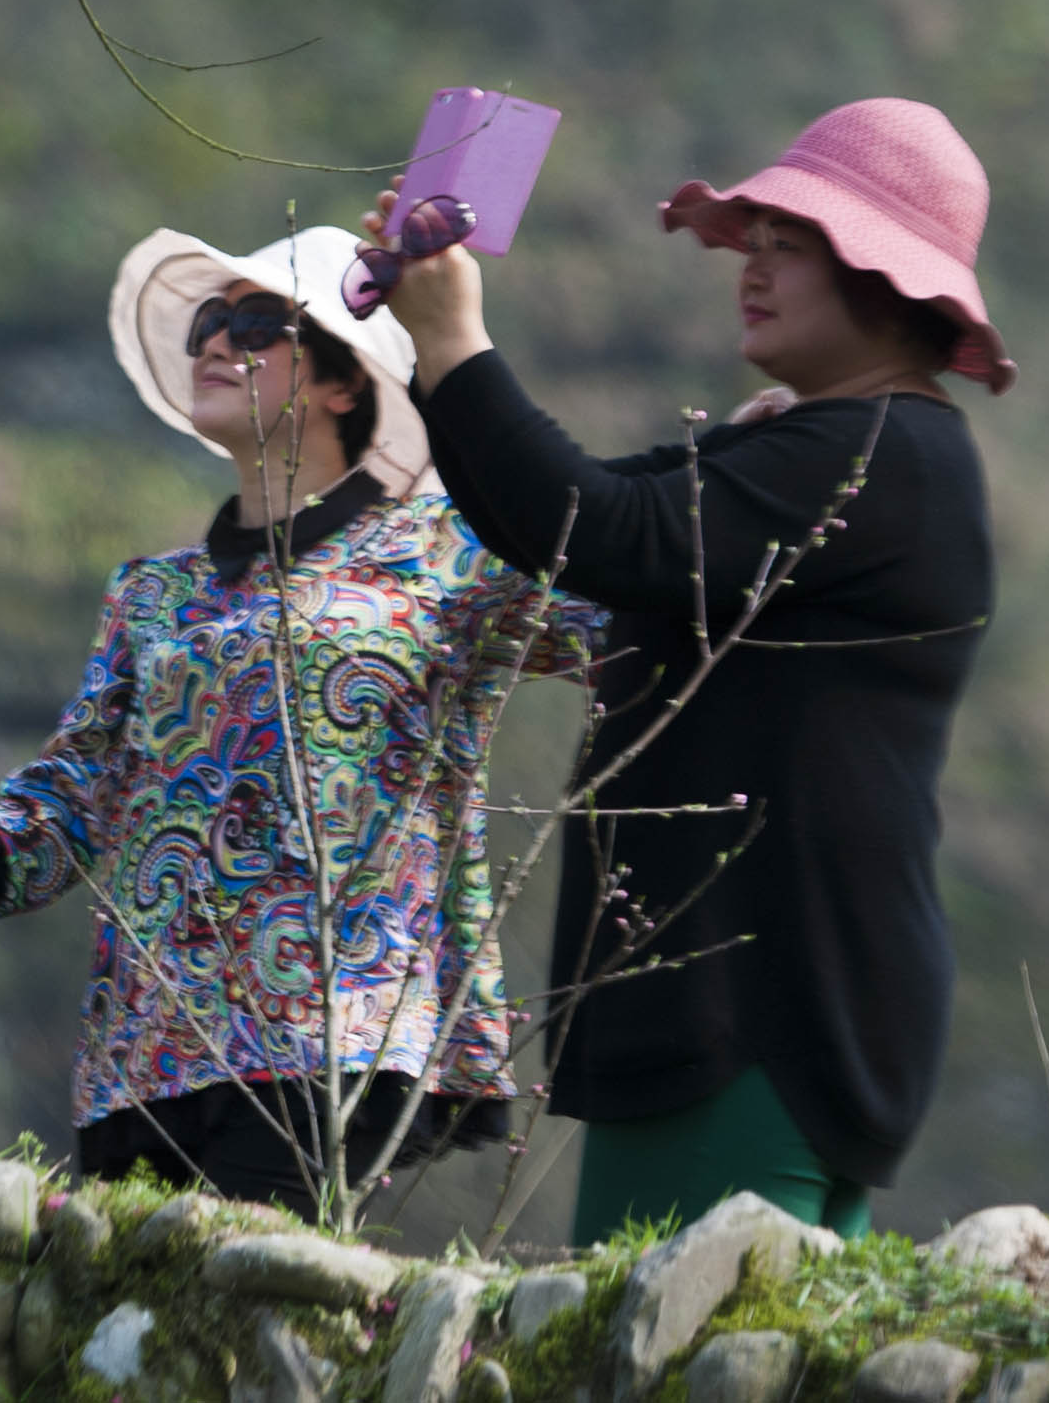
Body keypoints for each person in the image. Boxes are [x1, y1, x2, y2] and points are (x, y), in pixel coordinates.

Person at [0, 224, 599, 1216]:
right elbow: (66, 807)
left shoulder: (445, 552)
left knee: (239, 1317)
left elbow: (638, 604)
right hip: (142, 1056)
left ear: (342, 381)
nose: (213, 343)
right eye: (205, 322)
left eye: (255, 325)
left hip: (329, 1035)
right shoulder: (151, 595)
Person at [381, 97, 1007, 1242]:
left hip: (750, 1011)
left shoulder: (864, 454)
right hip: (771, 1002)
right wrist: (433, 348)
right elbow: (567, 519)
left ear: (881, 276)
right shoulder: (842, 445)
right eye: (750, 243)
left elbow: (592, 525)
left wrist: (455, 344)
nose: (750, 271)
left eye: (789, 246)